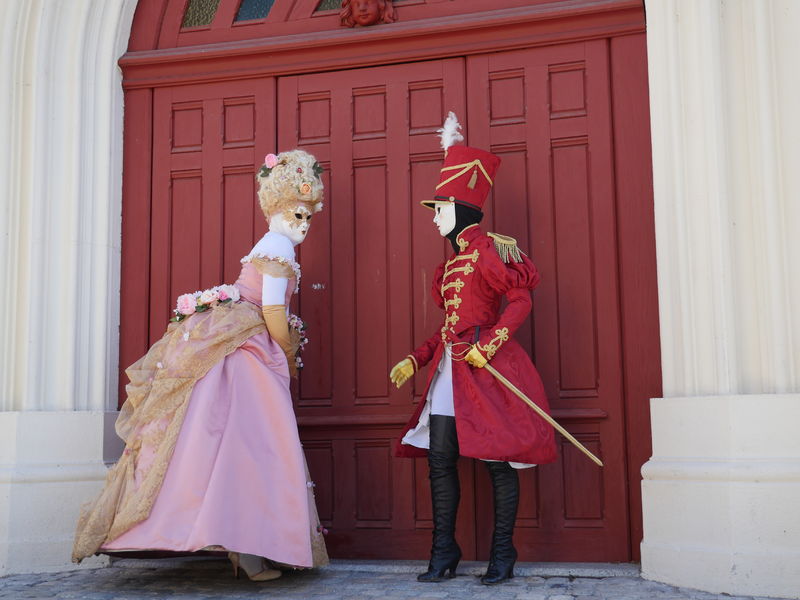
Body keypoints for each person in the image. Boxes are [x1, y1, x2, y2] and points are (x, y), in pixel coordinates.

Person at [72, 150, 329, 581]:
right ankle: (248, 551)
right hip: (250, 352)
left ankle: (243, 549)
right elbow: (271, 311)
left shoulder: (267, 244)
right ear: (277, 209)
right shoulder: (279, 246)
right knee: (256, 448)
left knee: (231, 448)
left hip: (238, 345)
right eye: (295, 214)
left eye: (308, 217)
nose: (302, 225)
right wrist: (285, 352)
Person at [390, 113, 557, 585]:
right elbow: (448, 328)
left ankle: (503, 554)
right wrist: (416, 358)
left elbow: (521, 299)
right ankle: (445, 550)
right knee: (441, 461)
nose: (434, 216)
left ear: (462, 209)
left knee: (496, 460)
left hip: (487, 368)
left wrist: (492, 342)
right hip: (451, 371)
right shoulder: (450, 266)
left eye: (439, 208)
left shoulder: (490, 250)